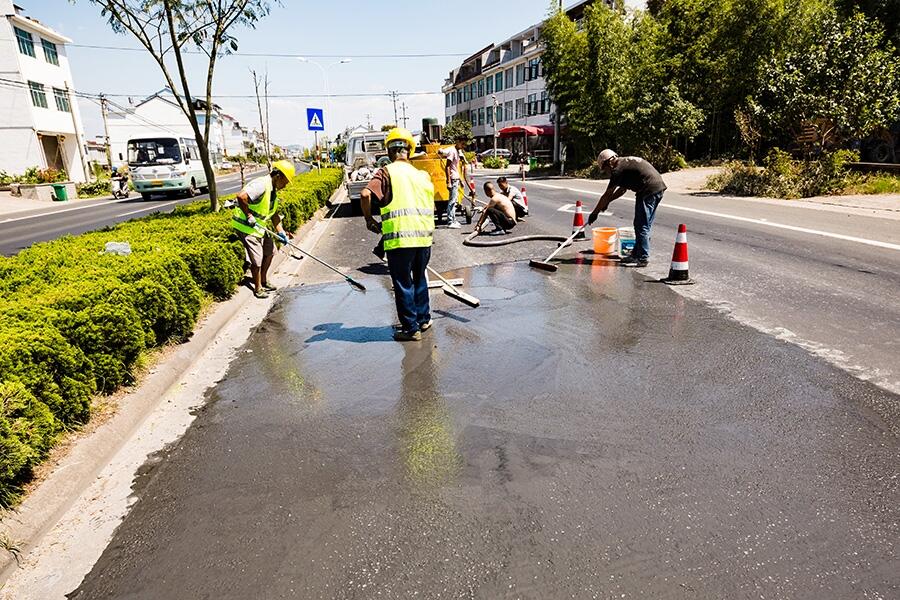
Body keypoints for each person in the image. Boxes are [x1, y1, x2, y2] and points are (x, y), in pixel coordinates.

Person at [360, 128, 436, 342]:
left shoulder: (386, 172)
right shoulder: (422, 175)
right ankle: (424, 319)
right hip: (423, 238)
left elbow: (366, 194)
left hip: (400, 240)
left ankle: (411, 329)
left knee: (403, 283)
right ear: (409, 150)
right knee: (419, 279)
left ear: (389, 150)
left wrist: (369, 219)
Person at [587, 149, 667, 267]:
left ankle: (642, 258)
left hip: (648, 190)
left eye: (605, 169)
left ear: (609, 163)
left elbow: (607, 194)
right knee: (642, 224)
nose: (607, 173)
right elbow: (622, 190)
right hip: (656, 188)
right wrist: (607, 203)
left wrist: (595, 213)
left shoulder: (617, 170)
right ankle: (636, 254)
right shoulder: (624, 164)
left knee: (642, 225)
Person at [231, 160, 295, 298]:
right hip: (246, 227)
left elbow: (274, 215)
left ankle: (264, 280)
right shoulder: (262, 184)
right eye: (285, 181)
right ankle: (258, 287)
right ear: (278, 176)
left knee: (271, 251)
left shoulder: (273, 191)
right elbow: (241, 196)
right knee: (257, 259)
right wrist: (248, 215)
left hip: (259, 228)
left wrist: (281, 233)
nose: (285, 185)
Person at [437, 135, 470, 229]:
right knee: (452, 201)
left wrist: (461, 180)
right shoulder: (452, 151)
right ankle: (450, 221)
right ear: (458, 141)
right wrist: (449, 181)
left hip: (456, 178)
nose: (463, 146)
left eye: (465, 144)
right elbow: (448, 166)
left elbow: (456, 168)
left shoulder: (457, 151)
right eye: (462, 143)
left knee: (454, 200)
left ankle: (453, 220)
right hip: (453, 179)